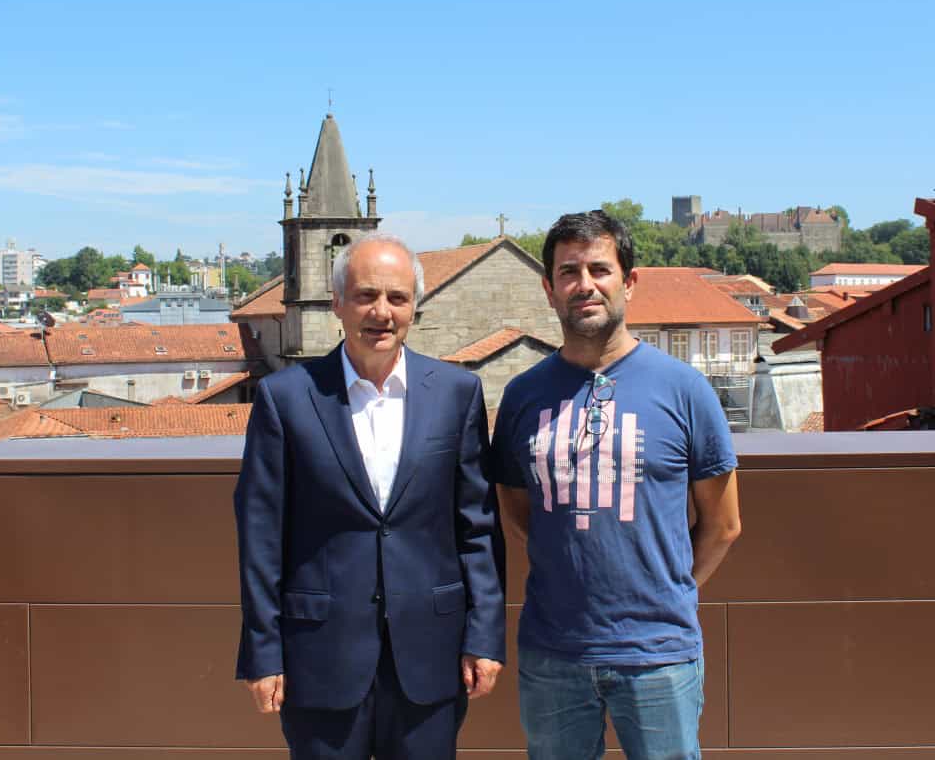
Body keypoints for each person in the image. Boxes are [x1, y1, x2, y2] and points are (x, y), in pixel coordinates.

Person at [234, 232, 506, 759]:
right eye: (366, 296)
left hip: (433, 656)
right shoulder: (285, 399)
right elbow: (260, 537)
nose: (382, 312)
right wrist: (263, 652)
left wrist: (485, 635)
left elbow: (478, 528)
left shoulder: (457, 393)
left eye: (397, 298)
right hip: (320, 658)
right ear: (338, 303)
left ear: (414, 307)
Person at [489, 210, 742, 760]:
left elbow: (723, 524)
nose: (585, 285)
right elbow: (514, 510)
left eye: (600, 269)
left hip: (660, 654)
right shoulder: (523, 396)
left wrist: (669, 590)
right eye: (569, 272)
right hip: (553, 652)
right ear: (549, 289)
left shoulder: (684, 390)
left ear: (628, 281)